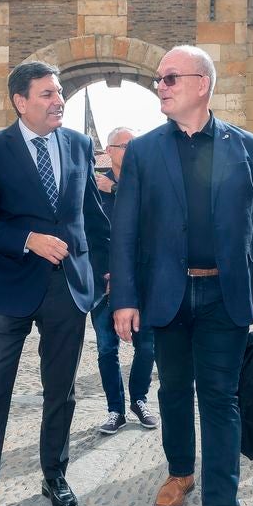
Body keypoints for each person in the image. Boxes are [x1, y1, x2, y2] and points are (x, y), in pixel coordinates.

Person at [111, 45, 253, 506]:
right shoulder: (143, 152)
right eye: (158, 79)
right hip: (167, 291)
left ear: (202, 84)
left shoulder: (245, 145)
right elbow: (126, 230)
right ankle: (180, 470)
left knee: (221, 399)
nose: (159, 85)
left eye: (168, 78)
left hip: (224, 294)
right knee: (174, 390)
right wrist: (125, 299)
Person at [0, 60, 110, 506]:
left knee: (60, 391)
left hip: (67, 289)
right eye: (47, 93)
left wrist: (112, 275)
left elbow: (92, 217)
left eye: (59, 92)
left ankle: (54, 474)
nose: (58, 100)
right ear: (21, 101)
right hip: (9, 290)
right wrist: (27, 239)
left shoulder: (80, 146)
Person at [92, 126, 158, 435]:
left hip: (141, 280)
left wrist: (115, 192)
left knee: (147, 346)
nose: (132, 151)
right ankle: (115, 409)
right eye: (125, 146)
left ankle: (139, 399)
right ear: (110, 150)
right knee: (107, 348)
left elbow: (151, 224)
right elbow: (90, 233)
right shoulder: (93, 185)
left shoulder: (147, 182)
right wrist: (105, 271)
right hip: (103, 282)